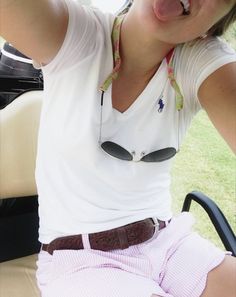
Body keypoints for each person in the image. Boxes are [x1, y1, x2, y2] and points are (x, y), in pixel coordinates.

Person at [1, 0, 236, 296]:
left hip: (167, 244)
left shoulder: (198, 58)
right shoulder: (78, 35)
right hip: (81, 261)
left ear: (219, 21)